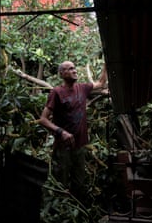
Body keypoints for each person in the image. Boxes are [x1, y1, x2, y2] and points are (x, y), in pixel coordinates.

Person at [39, 61, 107, 200]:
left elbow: (101, 83)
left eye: (74, 68)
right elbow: (43, 119)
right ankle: (60, 212)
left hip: (79, 146)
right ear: (62, 74)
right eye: (70, 69)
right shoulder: (56, 92)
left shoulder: (82, 88)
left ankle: (77, 210)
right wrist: (61, 132)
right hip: (63, 148)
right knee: (61, 184)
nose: (74, 71)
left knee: (79, 182)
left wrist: (107, 64)